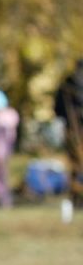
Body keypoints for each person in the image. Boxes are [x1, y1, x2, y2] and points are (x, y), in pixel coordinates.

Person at [54, 59, 83, 207]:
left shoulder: (67, 84)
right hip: (74, 131)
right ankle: (76, 196)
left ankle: (77, 196)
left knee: (76, 165)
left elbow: (57, 109)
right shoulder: (69, 86)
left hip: (73, 129)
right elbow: (58, 108)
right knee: (76, 164)